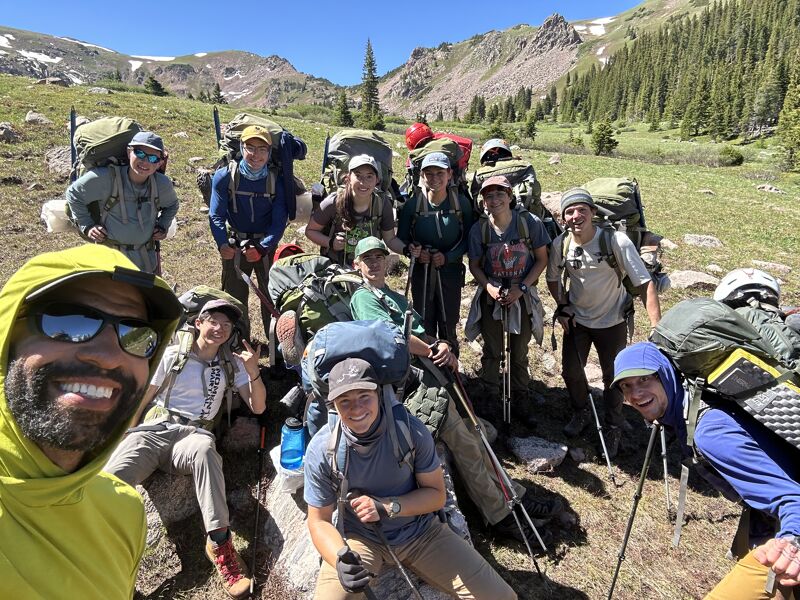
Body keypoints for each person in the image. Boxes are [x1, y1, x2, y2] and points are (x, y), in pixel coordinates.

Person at [348, 236, 561, 547]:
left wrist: (443, 344)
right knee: (465, 441)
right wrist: (436, 349)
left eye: (379, 256)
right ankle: (502, 515)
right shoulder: (365, 298)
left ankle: (514, 496)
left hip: (430, 376)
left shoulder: (393, 296)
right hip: (411, 385)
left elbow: (420, 331)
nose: (375, 263)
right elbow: (393, 338)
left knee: (475, 435)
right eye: (367, 259)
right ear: (357, 265)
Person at [0, 244, 182, 599]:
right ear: (8, 340)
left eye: (136, 335)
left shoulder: (123, 511)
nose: (109, 357)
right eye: (68, 323)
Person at [304, 356, 517, 600]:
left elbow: (437, 496)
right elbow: (318, 521)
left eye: (364, 397)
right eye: (345, 401)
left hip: (422, 533)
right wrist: (340, 558)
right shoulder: (323, 449)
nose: (356, 409)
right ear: (333, 405)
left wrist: (386, 507)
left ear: (379, 395)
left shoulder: (411, 431)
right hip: (359, 539)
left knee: (502, 597)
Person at [105, 299, 266, 599]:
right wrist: (126, 433)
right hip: (153, 431)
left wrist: (253, 371)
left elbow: (258, 407)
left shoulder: (231, 365)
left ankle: (220, 544)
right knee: (106, 484)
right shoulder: (173, 354)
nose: (219, 328)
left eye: (227, 325)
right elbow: (144, 396)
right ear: (198, 323)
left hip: (192, 437)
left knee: (205, 447)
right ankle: (110, 570)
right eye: (214, 321)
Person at [613, 342, 800, 599]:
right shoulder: (691, 405)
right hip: (766, 517)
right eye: (626, 385)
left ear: (666, 374)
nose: (635, 394)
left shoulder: (709, 432)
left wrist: (792, 542)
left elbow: (792, 497)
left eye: (644, 379)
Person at [546, 187, 661, 457]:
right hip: (578, 321)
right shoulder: (560, 244)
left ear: (593, 213)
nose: (576, 216)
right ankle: (581, 411)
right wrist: (563, 305)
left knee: (614, 377)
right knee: (571, 372)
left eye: (581, 210)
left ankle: (612, 423)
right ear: (563, 218)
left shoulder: (616, 241)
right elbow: (552, 278)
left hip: (612, 320)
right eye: (569, 212)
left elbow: (644, 283)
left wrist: (657, 326)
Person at [465, 176, 549, 429]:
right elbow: (475, 265)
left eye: (500, 194)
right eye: (489, 196)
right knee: (492, 350)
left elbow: (541, 259)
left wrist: (522, 288)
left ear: (510, 196)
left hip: (521, 296)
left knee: (519, 350)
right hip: (493, 296)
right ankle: (491, 398)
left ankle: (520, 398)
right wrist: (489, 287)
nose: (495, 199)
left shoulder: (529, 224)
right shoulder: (479, 229)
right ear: (483, 201)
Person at [209, 125, 289, 336]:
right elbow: (215, 215)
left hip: (265, 245)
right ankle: (238, 345)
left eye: (262, 149)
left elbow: (279, 221)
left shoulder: (276, 181)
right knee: (233, 298)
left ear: (270, 152)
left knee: (271, 296)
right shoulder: (225, 176)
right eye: (250, 147)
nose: (256, 155)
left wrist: (263, 248)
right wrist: (222, 243)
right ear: (241, 148)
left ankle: (275, 351)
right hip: (235, 245)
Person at [66, 130, 179, 273]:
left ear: (159, 163)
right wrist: (87, 225)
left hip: (145, 260)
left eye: (152, 159)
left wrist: (163, 225)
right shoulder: (106, 177)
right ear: (128, 152)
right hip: (108, 260)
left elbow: (172, 205)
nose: (145, 162)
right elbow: (73, 194)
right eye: (140, 154)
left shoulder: (161, 184)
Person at [397, 152, 474, 355]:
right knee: (423, 321)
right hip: (422, 272)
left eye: (440, 173)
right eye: (429, 174)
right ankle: (429, 372)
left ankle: (452, 369)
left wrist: (448, 257)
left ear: (449, 174)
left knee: (449, 321)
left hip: (451, 272)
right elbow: (402, 238)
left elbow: (470, 239)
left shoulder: (461, 204)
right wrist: (414, 252)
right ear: (422, 175)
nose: (435, 179)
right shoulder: (413, 205)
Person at [305, 154, 405, 267]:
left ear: (377, 180)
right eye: (358, 176)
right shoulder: (334, 202)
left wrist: (408, 251)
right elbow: (310, 231)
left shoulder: (382, 203)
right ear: (348, 178)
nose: (363, 182)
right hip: (336, 266)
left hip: (368, 267)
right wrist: (330, 242)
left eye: (369, 176)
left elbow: (390, 239)